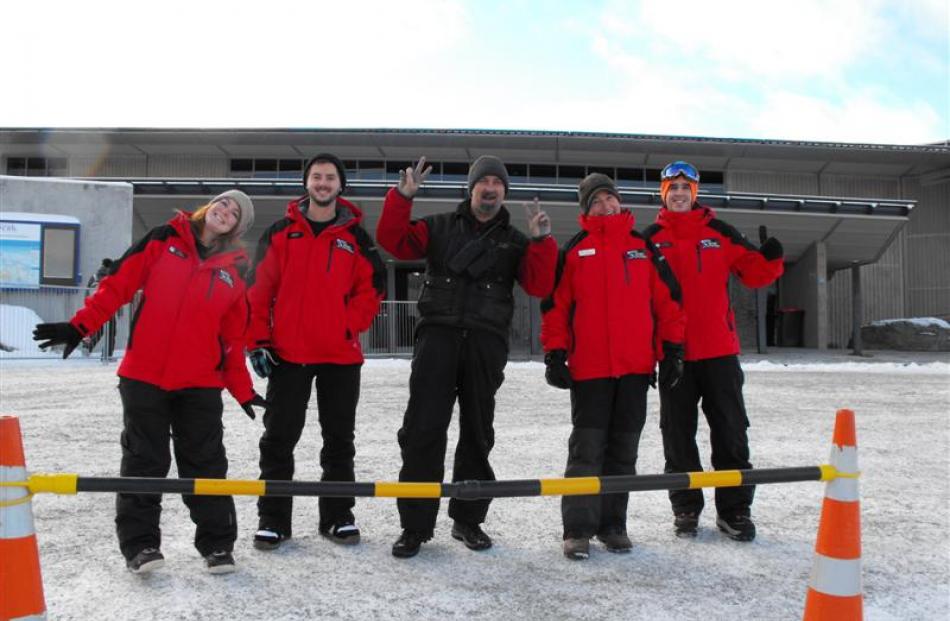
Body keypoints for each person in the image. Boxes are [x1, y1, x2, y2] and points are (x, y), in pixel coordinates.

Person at [33, 190, 264, 575]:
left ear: (238, 227)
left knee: (205, 463)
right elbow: (119, 285)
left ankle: (218, 546)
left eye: (236, 212)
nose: (226, 211)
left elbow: (232, 339)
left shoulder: (235, 270)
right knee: (144, 461)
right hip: (144, 376)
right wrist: (79, 326)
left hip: (199, 383)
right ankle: (141, 547)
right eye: (223, 203)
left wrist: (242, 389)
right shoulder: (163, 238)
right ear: (210, 207)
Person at [376, 155, 557, 558]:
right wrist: (402, 197)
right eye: (483, 181)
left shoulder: (516, 241)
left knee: (478, 432)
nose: (489, 188)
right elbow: (393, 240)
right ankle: (415, 526)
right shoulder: (438, 226)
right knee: (423, 430)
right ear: (471, 188)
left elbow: (539, 284)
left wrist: (542, 241)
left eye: (497, 182)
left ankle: (468, 520)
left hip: (485, 344)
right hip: (436, 339)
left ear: (503, 192)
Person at [541, 173, 686, 560]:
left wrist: (672, 351)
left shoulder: (643, 247)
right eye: (596, 202)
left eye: (610, 199)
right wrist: (555, 353)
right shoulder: (576, 250)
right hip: (589, 372)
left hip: (635, 370)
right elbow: (556, 308)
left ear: (619, 202)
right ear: (586, 210)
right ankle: (578, 530)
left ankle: (613, 525)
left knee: (624, 451)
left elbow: (668, 303)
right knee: (586, 451)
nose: (605, 206)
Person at [246, 153, 385, 551]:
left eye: (330, 178)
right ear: (306, 183)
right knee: (278, 440)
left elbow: (372, 289)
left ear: (341, 186)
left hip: (339, 357)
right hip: (288, 355)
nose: (323, 183)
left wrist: (347, 325)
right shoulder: (279, 232)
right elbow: (258, 290)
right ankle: (273, 520)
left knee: (339, 440)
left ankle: (338, 516)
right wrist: (257, 342)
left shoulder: (355, 237)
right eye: (316, 177)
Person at [643, 161, 784, 542]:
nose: (678, 194)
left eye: (685, 189)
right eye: (672, 188)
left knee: (731, 432)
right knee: (677, 435)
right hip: (674, 355)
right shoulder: (650, 238)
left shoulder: (719, 233)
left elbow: (754, 273)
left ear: (694, 194)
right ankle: (686, 508)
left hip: (720, 352)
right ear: (663, 195)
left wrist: (771, 260)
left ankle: (734, 511)